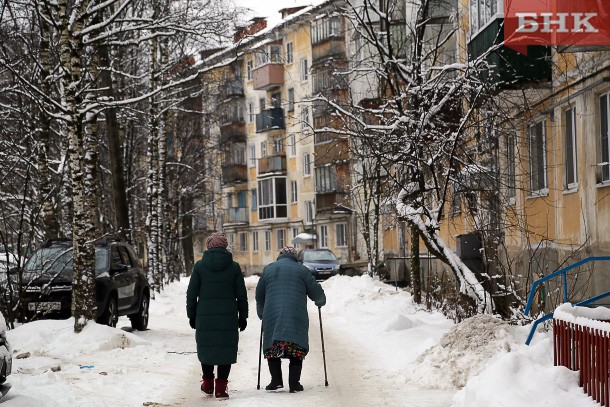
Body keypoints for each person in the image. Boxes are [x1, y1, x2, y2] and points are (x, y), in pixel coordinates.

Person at [256, 245, 326, 393]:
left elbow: (259, 295)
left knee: (272, 345)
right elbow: (315, 290)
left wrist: (261, 312)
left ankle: (276, 380)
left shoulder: (268, 269)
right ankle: (294, 383)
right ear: (295, 257)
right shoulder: (302, 270)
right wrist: (320, 300)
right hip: (295, 313)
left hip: (272, 314)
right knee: (296, 346)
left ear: (280, 255)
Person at [186, 232, 248, 399]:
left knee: (207, 348)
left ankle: (207, 384)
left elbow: (191, 293)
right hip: (228, 316)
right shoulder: (234, 267)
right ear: (225, 246)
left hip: (204, 315)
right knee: (225, 349)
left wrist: (191, 315)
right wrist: (243, 316)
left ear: (208, 246)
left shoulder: (199, 266)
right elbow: (241, 294)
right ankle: (221, 387)